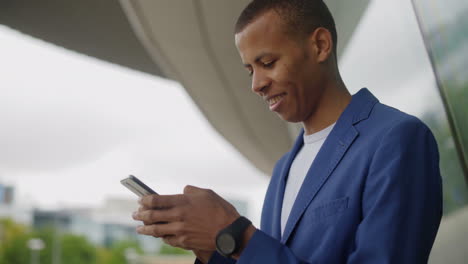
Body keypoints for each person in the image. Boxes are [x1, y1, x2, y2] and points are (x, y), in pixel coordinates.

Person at [132, 0, 443, 263]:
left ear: (320, 45)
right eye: (251, 69)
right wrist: (212, 246)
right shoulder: (284, 169)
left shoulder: (397, 140)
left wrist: (235, 234)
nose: (256, 85)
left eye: (268, 62)